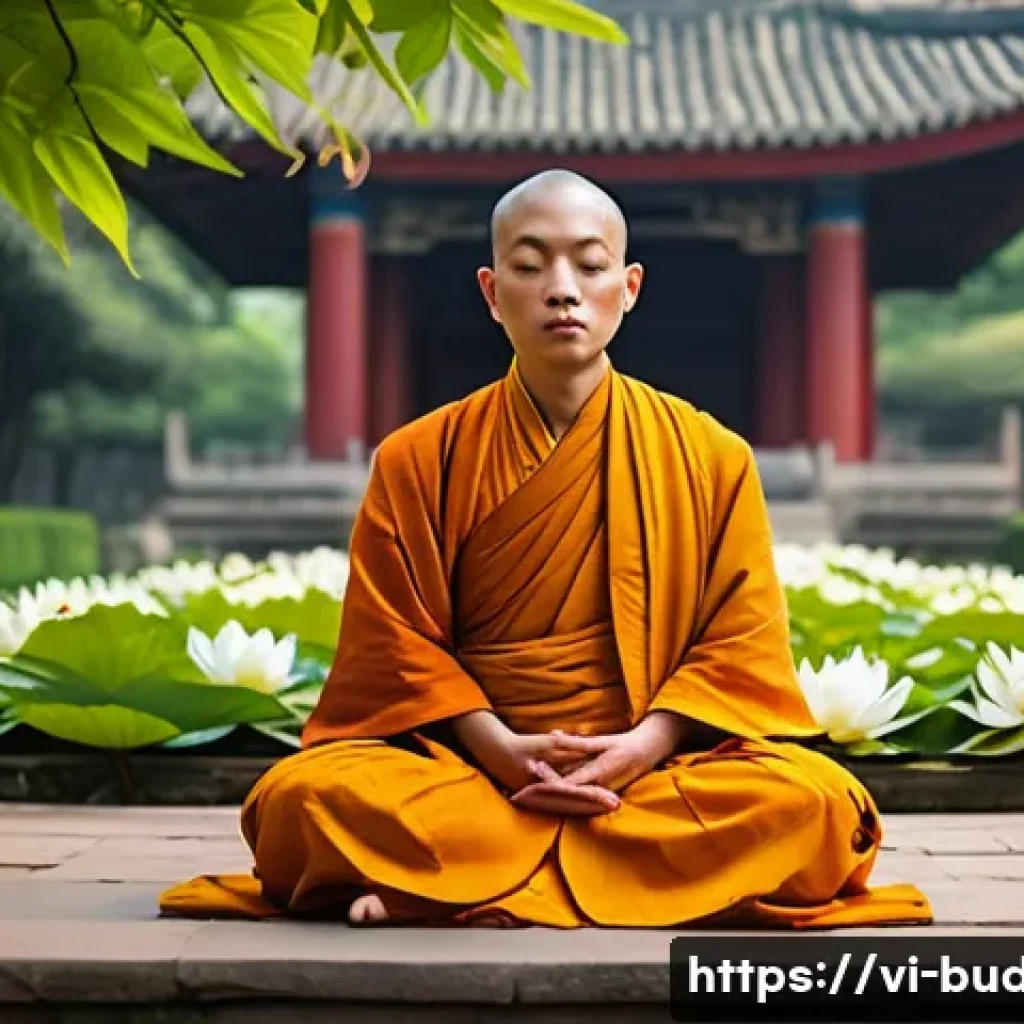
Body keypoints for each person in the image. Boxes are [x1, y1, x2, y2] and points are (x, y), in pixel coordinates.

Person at [160, 169, 932, 930]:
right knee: (300, 800)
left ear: (628, 287)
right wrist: (497, 747)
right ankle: (604, 877)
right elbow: (395, 646)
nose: (562, 289)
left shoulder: (711, 456)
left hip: (650, 770)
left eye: (589, 266)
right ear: (493, 293)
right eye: (530, 267)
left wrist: (640, 747)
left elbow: (739, 646)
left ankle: (451, 881)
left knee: (816, 806)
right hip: (471, 770)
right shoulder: (416, 457)